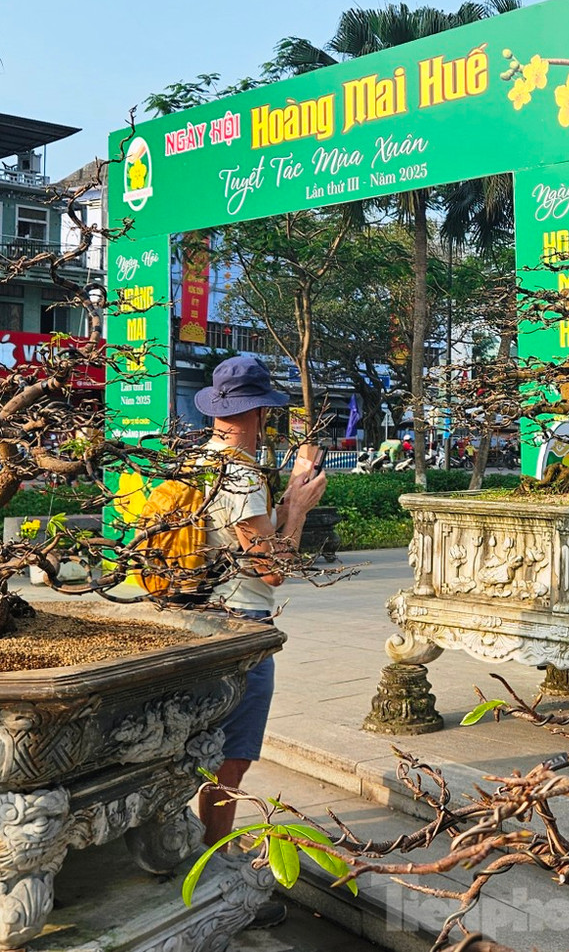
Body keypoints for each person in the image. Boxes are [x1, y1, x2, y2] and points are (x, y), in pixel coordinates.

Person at [191, 356, 327, 925]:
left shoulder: (200, 461)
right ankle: (213, 870)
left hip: (197, 615)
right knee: (231, 759)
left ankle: (201, 852)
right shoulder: (241, 475)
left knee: (205, 749)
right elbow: (271, 570)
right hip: (240, 626)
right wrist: (295, 505)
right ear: (259, 411)